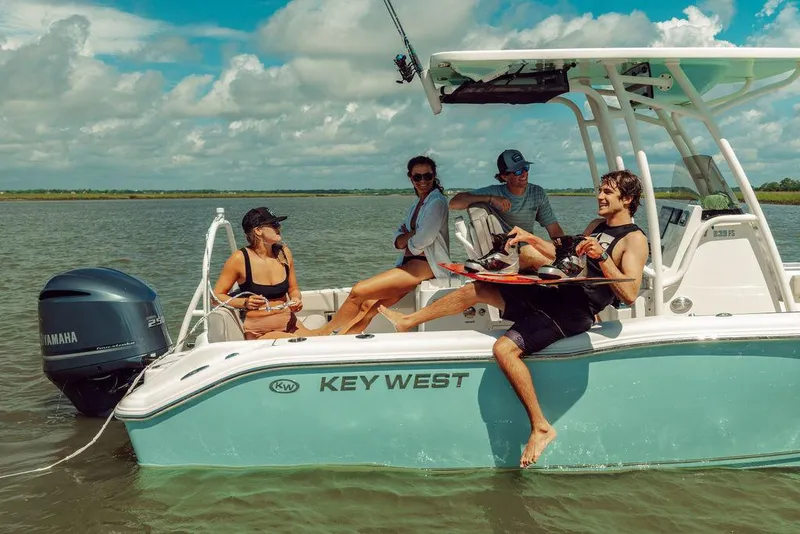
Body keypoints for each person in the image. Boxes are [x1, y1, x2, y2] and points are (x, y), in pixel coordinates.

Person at [379, 170, 649, 467]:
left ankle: (541, 426)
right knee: (479, 289)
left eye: (608, 192)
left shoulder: (634, 240)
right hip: (556, 294)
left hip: (574, 311)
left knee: (504, 349)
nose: (599, 196)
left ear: (627, 199)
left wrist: (602, 258)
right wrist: (531, 238)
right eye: (600, 190)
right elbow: (563, 256)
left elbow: (630, 293)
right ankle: (408, 321)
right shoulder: (597, 225)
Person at [311, 155, 450, 336]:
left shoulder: (436, 202)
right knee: (370, 305)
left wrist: (407, 240)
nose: (423, 181)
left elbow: (423, 240)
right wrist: (408, 236)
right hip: (410, 264)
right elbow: (398, 237)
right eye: (418, 177)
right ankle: (342, 337)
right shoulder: (418, 202)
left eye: (427, 176)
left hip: (426, 265)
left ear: (434, 176)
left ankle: (322, 334)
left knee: (358, 291)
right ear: (410, 178)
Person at [449, 149, 566, 272]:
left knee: (556, 250)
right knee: (532, 251)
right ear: (504, 176)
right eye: (517, 171)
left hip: (528, 249)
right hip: (506, 255)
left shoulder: (537, 193)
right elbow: (454, 203)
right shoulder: (495, 192)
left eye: (525, 168)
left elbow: (555, 232)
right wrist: (490, 199)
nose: (524, 174)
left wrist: (567, 249)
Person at [213, 207, 312, 340]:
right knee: (306, 342)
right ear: (258, 231)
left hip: (289, 324)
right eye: (274, 224)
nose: (279, 227)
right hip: (260, 333)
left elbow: (293, 289)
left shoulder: (284, 253)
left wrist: (296, 299)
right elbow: (216, 297)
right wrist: (244, 302)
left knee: (323, 340)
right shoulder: (239, 259)